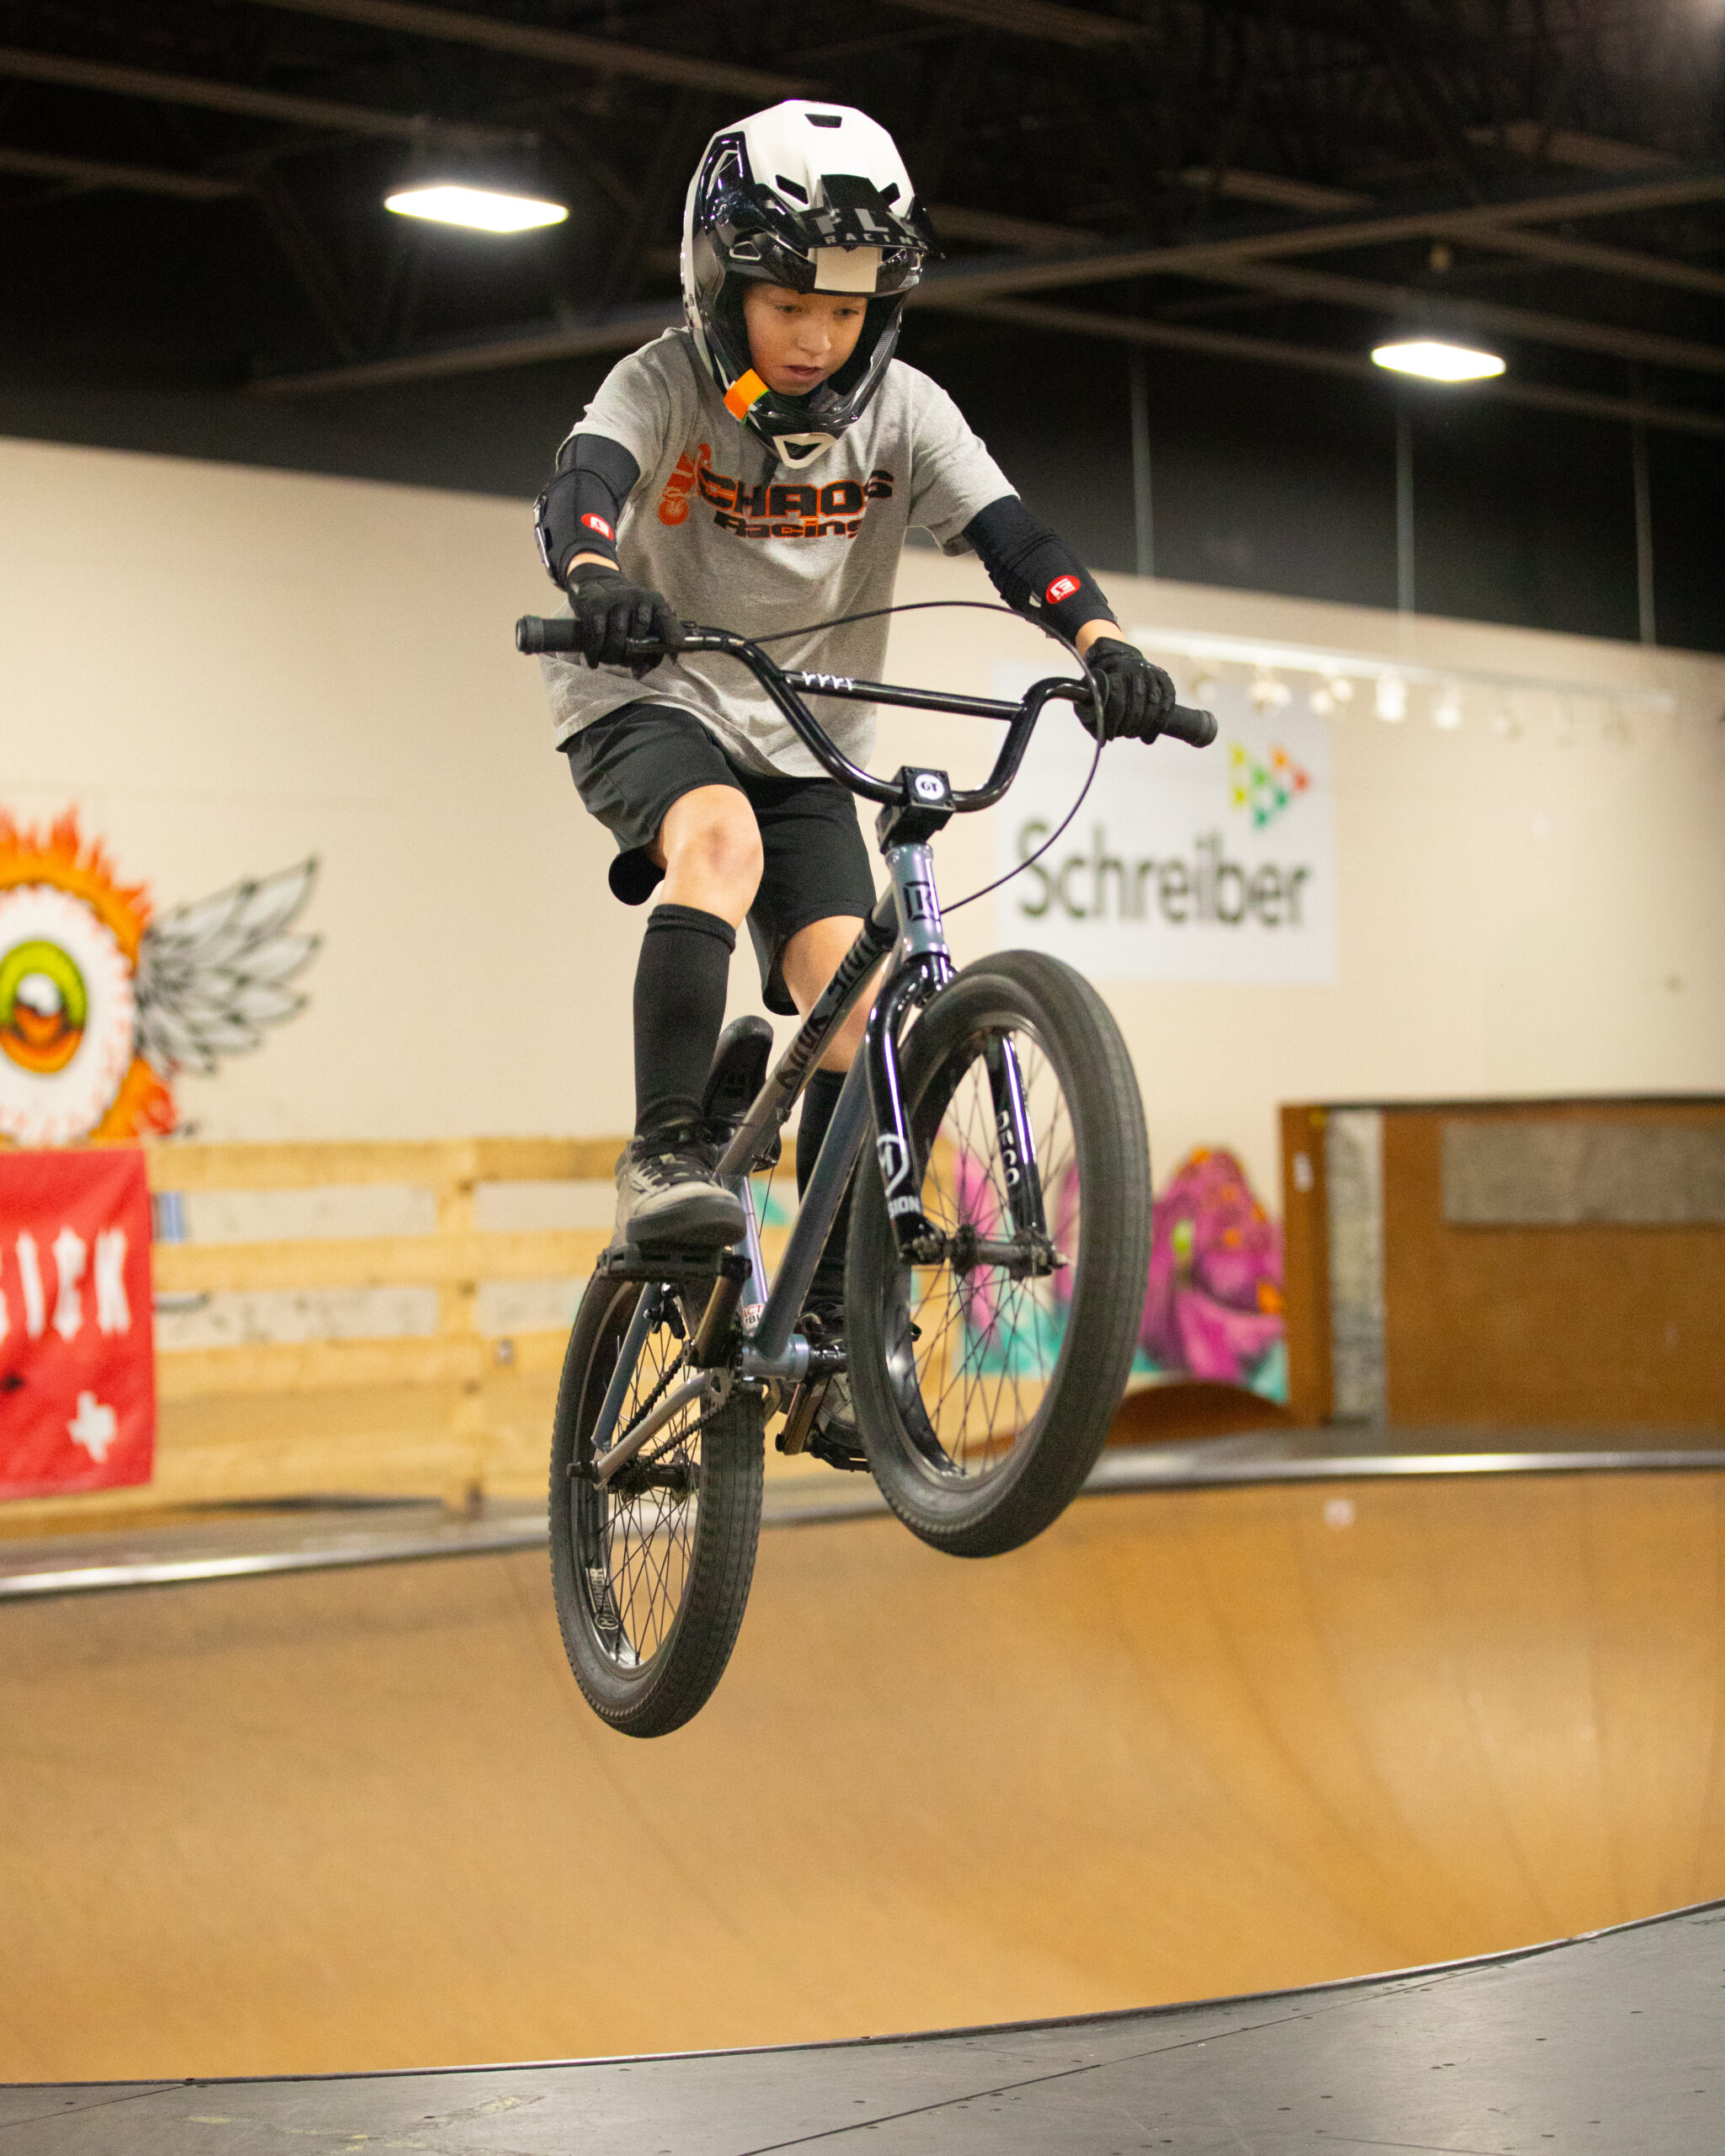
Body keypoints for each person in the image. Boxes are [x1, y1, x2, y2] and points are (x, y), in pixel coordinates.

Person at [533, 99, 1174, 1452]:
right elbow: (585, 480)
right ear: (722, 285)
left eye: (848, 309)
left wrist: (1102, 640)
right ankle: (662, 1154)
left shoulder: (904, 413)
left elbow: (1013, 536)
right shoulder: (662, 384)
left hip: (799, 732)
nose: (819, 338)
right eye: (788, 308)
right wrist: (597, 579)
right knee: (718, 844)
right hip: (645, 693)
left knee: (854, 999)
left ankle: (821, 1325)